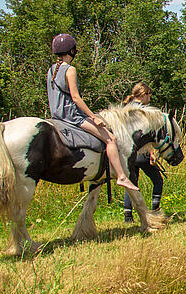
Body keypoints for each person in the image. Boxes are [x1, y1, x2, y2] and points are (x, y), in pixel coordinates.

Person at [47, 33, 138, 191]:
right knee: (111, 139)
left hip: (56, 117)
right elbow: (76, 98)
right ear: (72, 51)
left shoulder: (51, 70)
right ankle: (122, 177)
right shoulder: (70, 70)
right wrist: (93, 117)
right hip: (72, 117)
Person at [122, 82, 164, 222]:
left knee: (132, 183)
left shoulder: (126, 109)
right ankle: (155, 210)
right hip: (141, 154)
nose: (150, 98)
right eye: (149, 95)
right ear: (144, 94)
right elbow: (145, 135)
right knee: (158, 180)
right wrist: (152, 153)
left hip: (128, 154)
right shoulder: (143, 111)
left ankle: (128, 216)